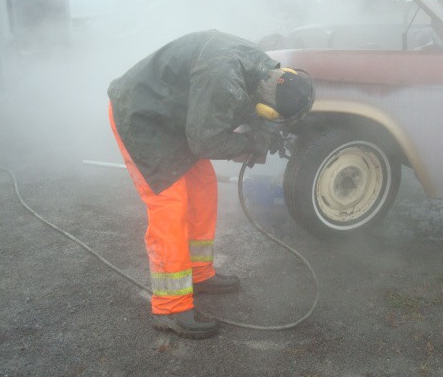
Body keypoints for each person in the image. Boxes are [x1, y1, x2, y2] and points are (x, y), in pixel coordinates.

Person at [107, 30, 314, 339]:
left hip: (176, 118)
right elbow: (205, 142)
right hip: (141, 118)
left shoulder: (263, 68)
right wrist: (252, 142)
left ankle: (198, 273)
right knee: (171, 205)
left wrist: (258, 134)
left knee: (202, 189)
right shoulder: (223, 78)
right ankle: (170, 307)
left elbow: (240, 109)